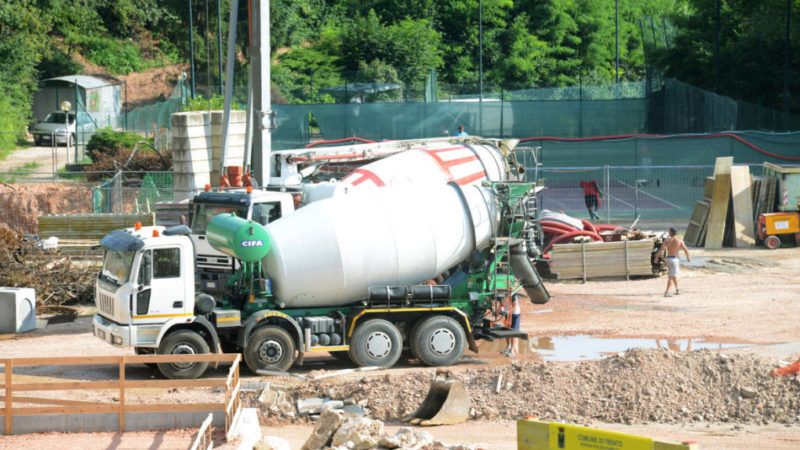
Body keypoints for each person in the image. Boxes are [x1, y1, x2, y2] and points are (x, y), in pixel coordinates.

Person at [655, 227, 690, 297]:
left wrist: (656, 258)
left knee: (673, 275)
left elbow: (660, 250)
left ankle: (677, 289)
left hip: (668, 259)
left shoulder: (667, 241)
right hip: (675, 259)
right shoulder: (679, 241)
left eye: (669, 232)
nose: (668, 233)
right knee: (671, 276)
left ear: (671, 233)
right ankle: (667, 292)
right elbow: (686, 250)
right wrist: (688, 257)